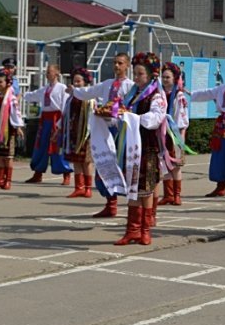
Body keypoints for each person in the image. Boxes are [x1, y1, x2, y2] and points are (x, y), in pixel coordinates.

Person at [113, 52, 181, 246]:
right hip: (131, 146)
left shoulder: (156, 95)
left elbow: (155, 119)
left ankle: (145, 230)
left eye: (140, 74)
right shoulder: (131, 94)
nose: (136, 77)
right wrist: (113, 114)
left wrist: (132, 117)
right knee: (132, 189)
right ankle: (132, 230)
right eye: (135, 73)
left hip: (148, 147)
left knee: (146, 189)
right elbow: (121, 114)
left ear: (151, 75)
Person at [69, 52, 134, 218]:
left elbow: (132, 107)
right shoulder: (107, 84)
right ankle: (110, 204)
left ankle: (134, 205)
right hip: (106, 130)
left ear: (127, 65)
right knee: (104, 164)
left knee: (124, 166)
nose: (116, 66)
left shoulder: (130, 86)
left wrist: (121, 112)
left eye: (120, 63)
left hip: (122, 131)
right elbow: (89, 91)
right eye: (115, 63)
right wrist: (75, 91)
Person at [187, 61, 225, 197]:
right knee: (220, 155)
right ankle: (220, 186)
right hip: (222, 126)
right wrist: (189, 93)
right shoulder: (221, 88)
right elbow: (207, 93)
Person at [22, 64, 73, 185]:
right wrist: (22, 95)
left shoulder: (62, 88)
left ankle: (66, 173)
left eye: (49, 72)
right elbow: (33, 95)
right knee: (41, 145)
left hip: (56, 118)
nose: (47, 74)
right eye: (46, 72)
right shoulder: (44, 88)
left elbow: (65, 106)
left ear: (57, 73)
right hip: (45, 119)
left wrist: (61, 123)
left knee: (57, 146)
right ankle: (38, 173)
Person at [62, 67, 95, 199]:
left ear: (85, 82)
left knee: (86, 161)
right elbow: (66, 114)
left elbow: (92, 115)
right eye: (74, 81)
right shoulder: (71, 97)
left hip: (86, 133)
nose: (76, 84)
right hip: (73, 131)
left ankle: (88, 188)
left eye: (78, 81)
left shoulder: (89, 97)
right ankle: (78, 188)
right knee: (76, 161)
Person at [159, 62, 189, 205]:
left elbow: (182, 119)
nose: (165, 80)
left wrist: (180, 139)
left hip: (175, 134)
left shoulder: (179, 95)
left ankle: (177, 195)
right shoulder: (159, 94)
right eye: (163, 77)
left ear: (175, 79)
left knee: (176, 166)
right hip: (162, 133)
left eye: (168, 77)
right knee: (164, 165)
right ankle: (168, 195)